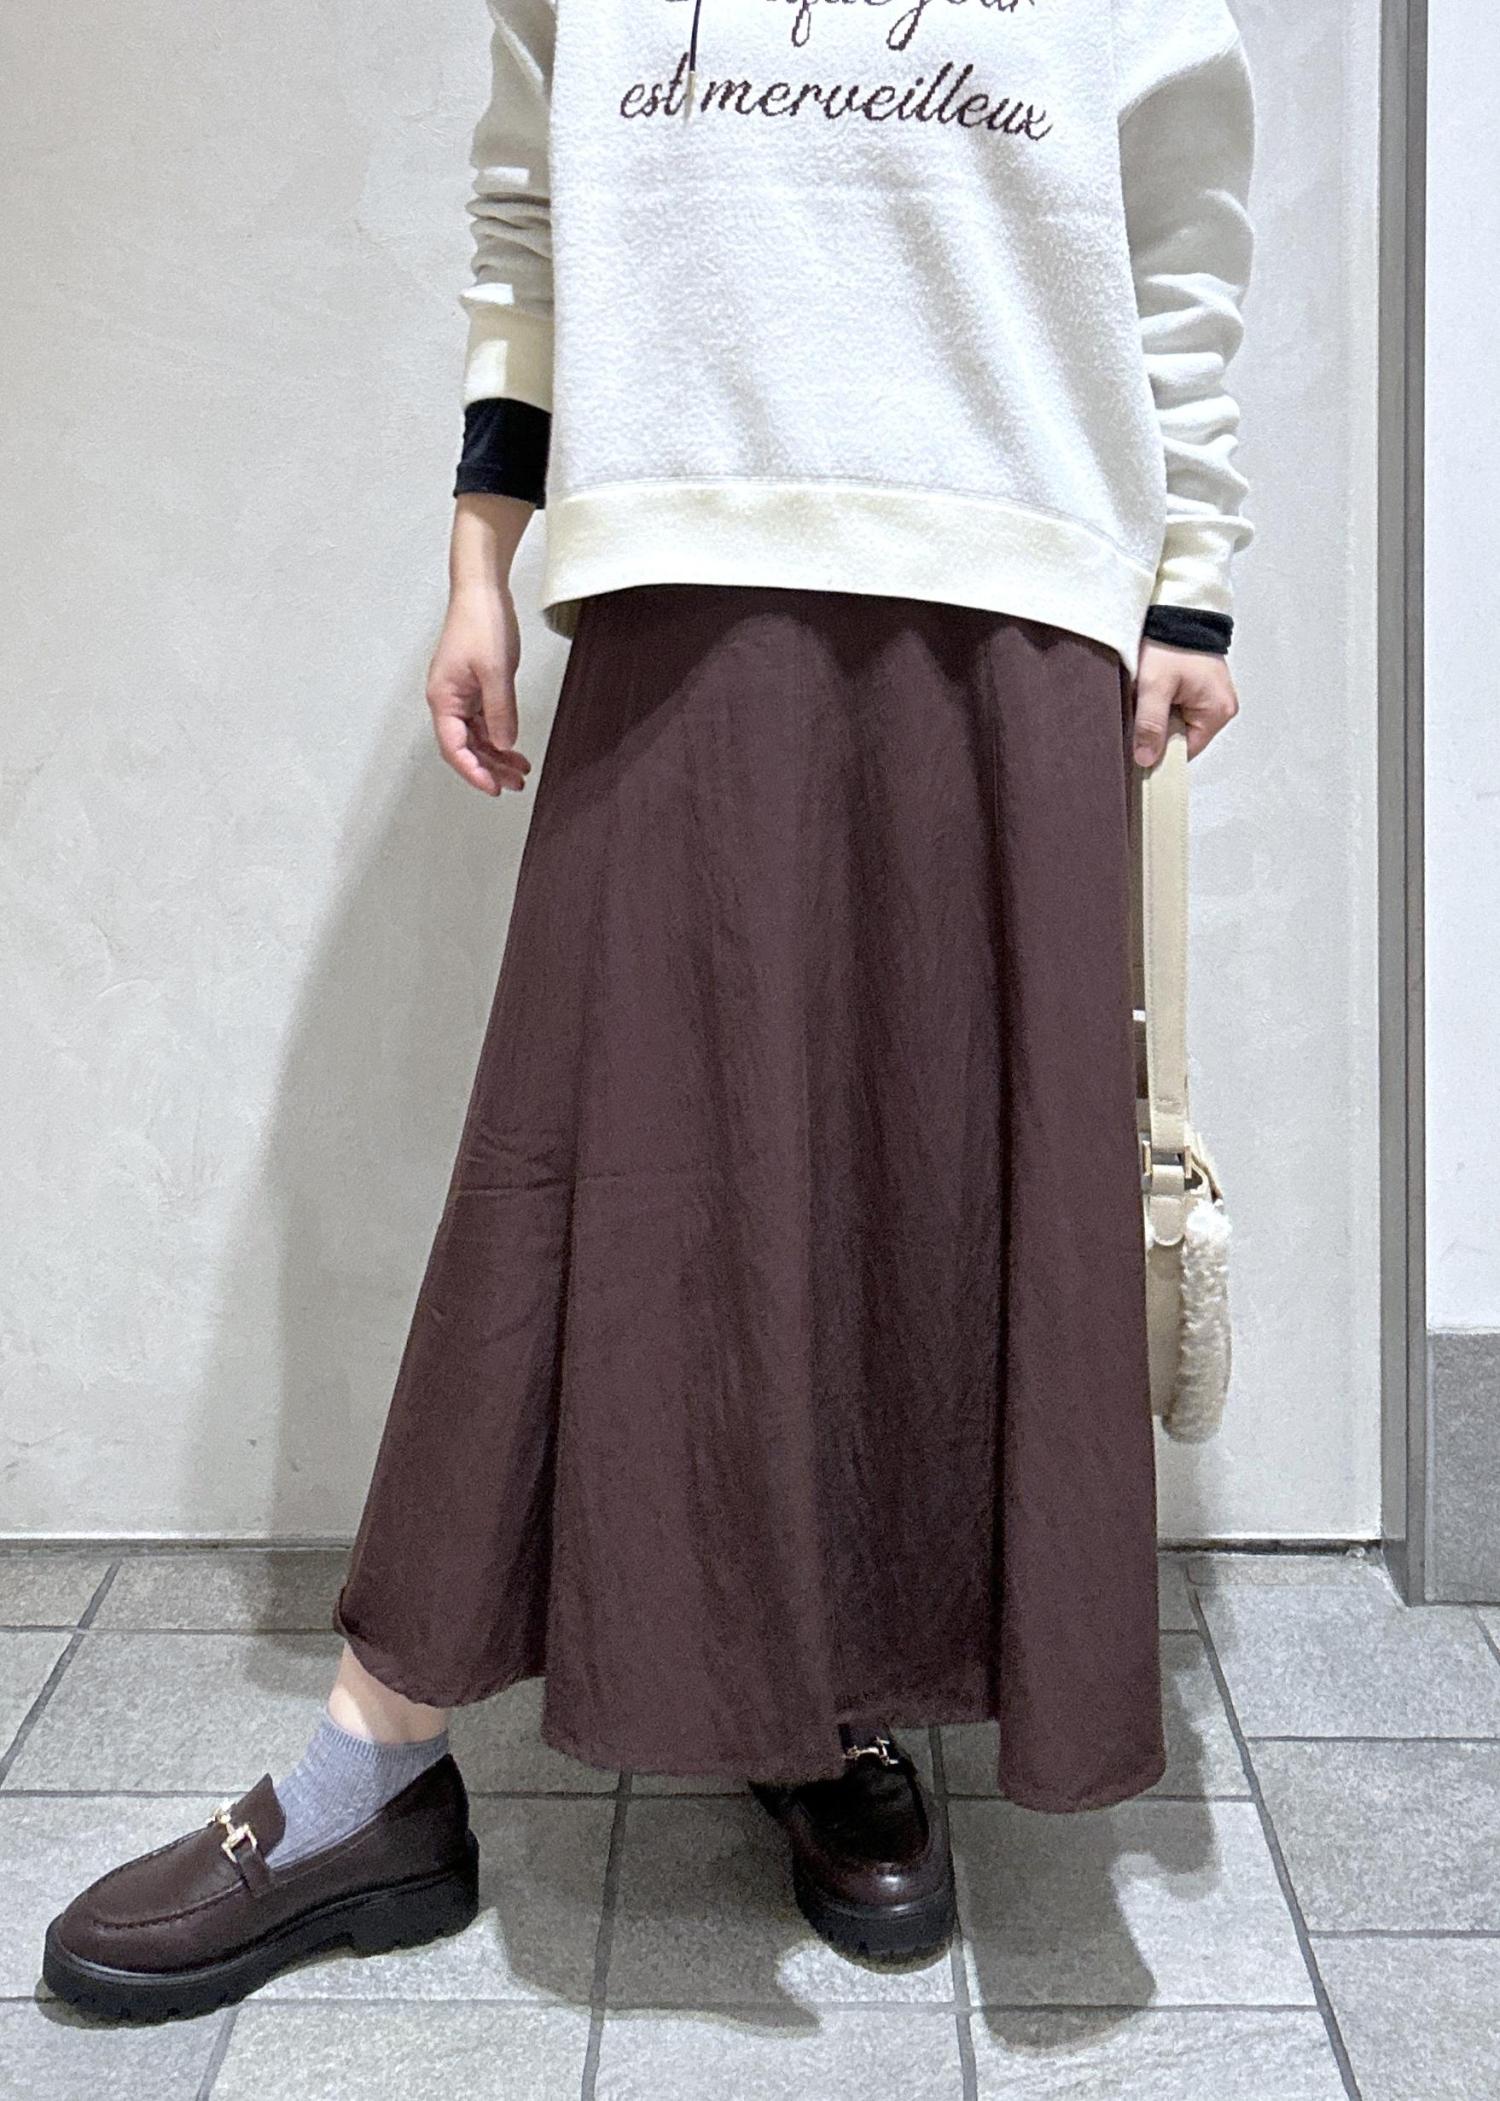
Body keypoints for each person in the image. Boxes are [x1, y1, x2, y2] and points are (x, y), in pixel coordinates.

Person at [44, 0, 1256, 2021]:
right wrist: (479, 561)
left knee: (929, 1165)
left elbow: (1179, 218)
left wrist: (1192, 569)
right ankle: (373, 1764)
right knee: (596, 1150)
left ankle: (827, 1704)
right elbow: (532, 211)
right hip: (684, 544)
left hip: (1020, 569)